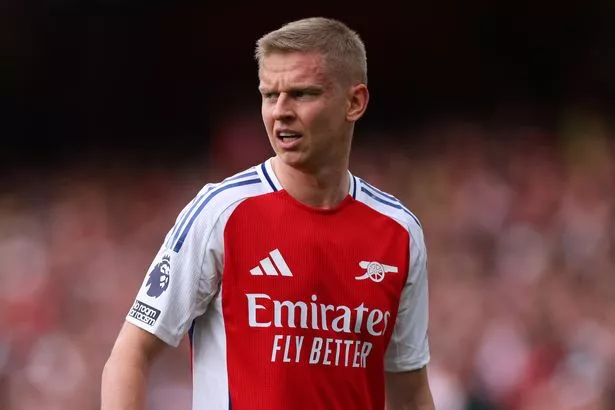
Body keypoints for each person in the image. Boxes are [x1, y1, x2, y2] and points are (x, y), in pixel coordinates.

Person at [101, 17, 435, 410]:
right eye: (269, 95)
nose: (280, 112)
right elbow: (130, 355)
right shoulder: (221, 212)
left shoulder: (399, 232)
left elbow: (410, 393)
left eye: (301, 94)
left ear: (354, 102)